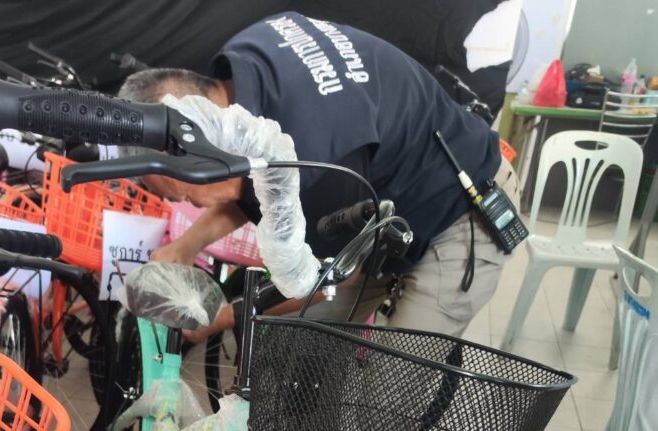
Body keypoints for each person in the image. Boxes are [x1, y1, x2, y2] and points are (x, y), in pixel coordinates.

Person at [120, 10, 520, 339]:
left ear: (204, 145)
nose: (187, 203)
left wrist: (225, 318)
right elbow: (257, 182)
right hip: (381, 204)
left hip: (457, 210)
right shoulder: (247, 57)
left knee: (389, 390)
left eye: (183, 194)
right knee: (295, 348)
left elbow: (332, 279)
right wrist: (187, 245)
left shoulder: (317, 163)